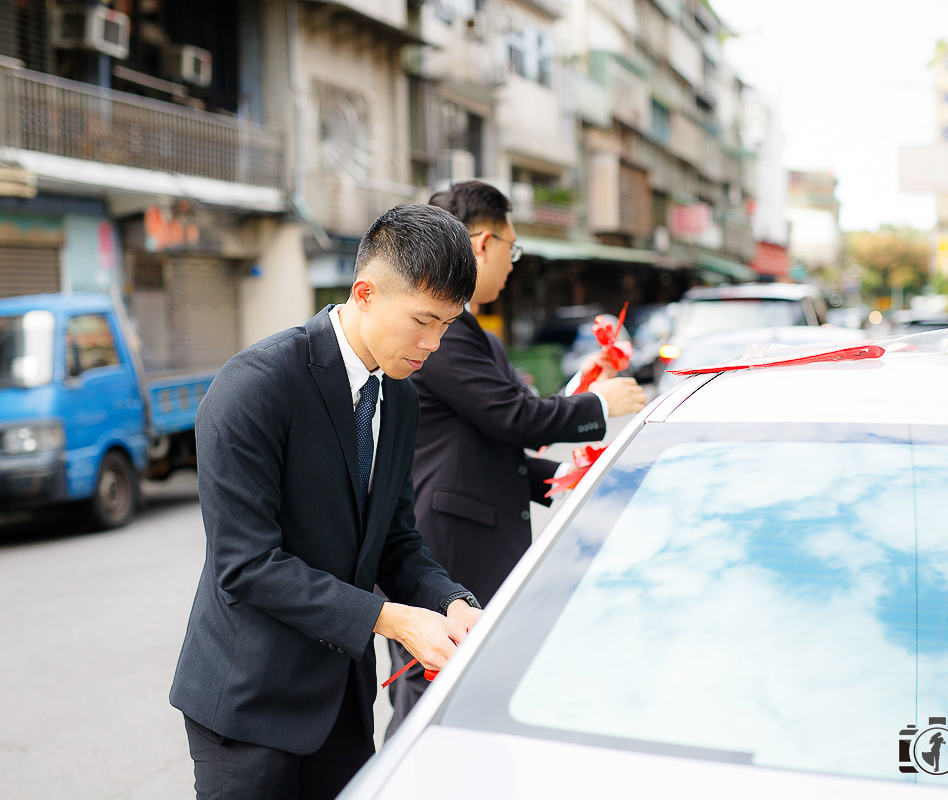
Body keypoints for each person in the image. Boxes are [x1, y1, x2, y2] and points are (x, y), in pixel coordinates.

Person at [170, 204, 484, 800]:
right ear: (365, 293)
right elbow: (247, 565)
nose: (434, 343)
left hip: (340, 701)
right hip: (248, 701)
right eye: (423, 321)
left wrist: (450, 603)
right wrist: (389, 619)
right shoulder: (257, 385)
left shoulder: (401, 397)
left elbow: (394, 541)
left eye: (447, 324)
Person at [384, 181, 646, 736]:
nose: (512, 263)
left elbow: (496, 446)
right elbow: (514, 417)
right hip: (447, 543)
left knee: (469, 688)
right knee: (430, 690)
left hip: (476, 533)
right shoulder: (444, 330)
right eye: (512, 247)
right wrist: (599, 403)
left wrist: (578, 479)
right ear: (482, 243)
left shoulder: (475, 332)